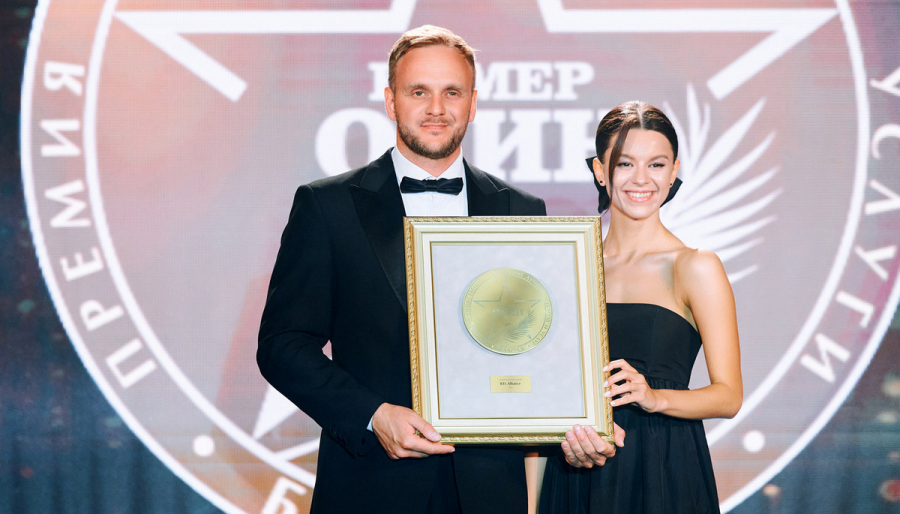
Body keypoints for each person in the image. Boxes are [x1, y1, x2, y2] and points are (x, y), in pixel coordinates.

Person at [258, 25, 618, 513]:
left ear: (473, 103)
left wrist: (575, 425)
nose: (436, 108)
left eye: (452, 92)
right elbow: (283, 346)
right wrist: (373, 415)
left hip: (489, 490)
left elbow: (537, 344)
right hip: (370, 485)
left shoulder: (519, 208)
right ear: (391, 101)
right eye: (418, 92)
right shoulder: (327, 206)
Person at [539, 101, 743, 514]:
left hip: (662, 468)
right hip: (575, 468)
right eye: (625, 163)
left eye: (656, 164)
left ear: (673, 171)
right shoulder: (570, 266)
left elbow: (728, 395)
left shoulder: (695, 266)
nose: (641, 179)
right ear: (600, 170)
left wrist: (654, 397)